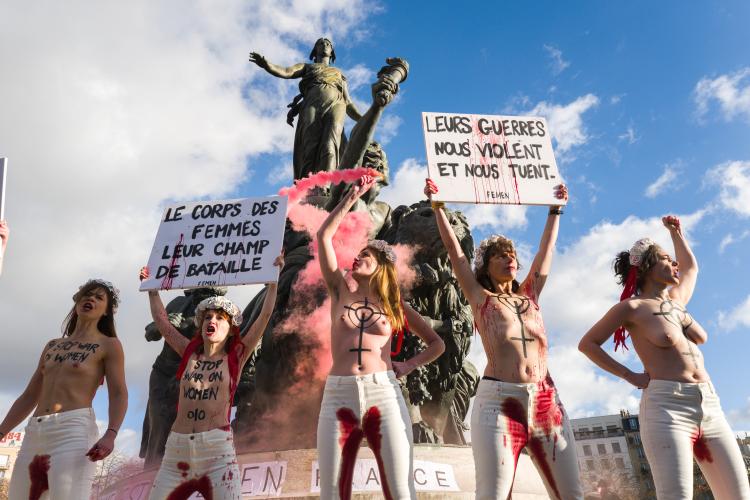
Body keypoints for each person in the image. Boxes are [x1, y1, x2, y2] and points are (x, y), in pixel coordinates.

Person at [425, 178, 583, 500]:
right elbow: (455, 254)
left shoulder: (530, 295)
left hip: (545, 399)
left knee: (571, 494)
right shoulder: (480, 297)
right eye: (499, 255)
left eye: (511, 254)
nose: (509, 258)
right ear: (485, 265)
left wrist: (555, 211)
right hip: (498, 401)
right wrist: (438, 206)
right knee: (493, 494)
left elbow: (545, 251)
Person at [578, 216, 750, 500]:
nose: (675, 264)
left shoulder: (677, 300)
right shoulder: (631, 308)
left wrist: (676, 232)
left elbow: (692, 267)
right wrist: (629, 375)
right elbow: (588, 344)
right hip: (667, 408)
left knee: (739, 495)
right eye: (667, 259)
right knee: (676, 495)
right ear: (647, 267)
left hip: (709, 403)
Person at [316, 175, 445, 500]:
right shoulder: (340, 291)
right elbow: (323, 236)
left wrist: (409, 365)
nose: (357, 258)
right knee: (332, 491)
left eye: (366, 256)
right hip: (338, 394)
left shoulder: (394, 305)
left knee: (400, 489)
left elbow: (437, 343)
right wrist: (350, 198)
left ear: (380, 267)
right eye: (358, 254)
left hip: (383, 392)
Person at [140, 256, 282, 500]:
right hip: (177, 450)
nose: (212, 321)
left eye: (219, 318)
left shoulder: (236, 356)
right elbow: (163, 324)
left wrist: (273, 281)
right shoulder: (188, 352)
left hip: (217, 452)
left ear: (231, 328)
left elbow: (265, 316)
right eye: (207, 317)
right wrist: (152, 288)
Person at [0, 279, 128, 499]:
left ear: (107, 311)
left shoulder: (109, 345)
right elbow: (30, 395)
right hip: (35, 431)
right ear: (77, 301)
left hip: (72, 430)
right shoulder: (52, 345)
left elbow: (118, 393)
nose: (91, 298)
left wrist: (111, 434)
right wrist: (2, 431)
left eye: (99, 297)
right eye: (87, 294)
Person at [250, 38, 362, 180]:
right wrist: (267, 65)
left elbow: (348, 102)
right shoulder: (306, 67)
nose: (325, 45)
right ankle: (306, 185)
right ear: (315, 50)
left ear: (332, 51)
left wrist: (365, 119)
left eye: (328, 44)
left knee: (331, 143)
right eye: (321, 43)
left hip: (337, 104)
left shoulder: (338, 73)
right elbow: (286, 71)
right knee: (310, 147)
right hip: (311, 105)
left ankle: (325, 184)